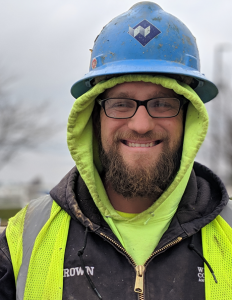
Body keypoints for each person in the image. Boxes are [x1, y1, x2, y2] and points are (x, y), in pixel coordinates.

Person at [0, 2, 231, 300]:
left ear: (189, 119)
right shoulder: (24, 238)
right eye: (120, 104)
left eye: (162, 104)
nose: (141, 124)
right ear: (94, 119)